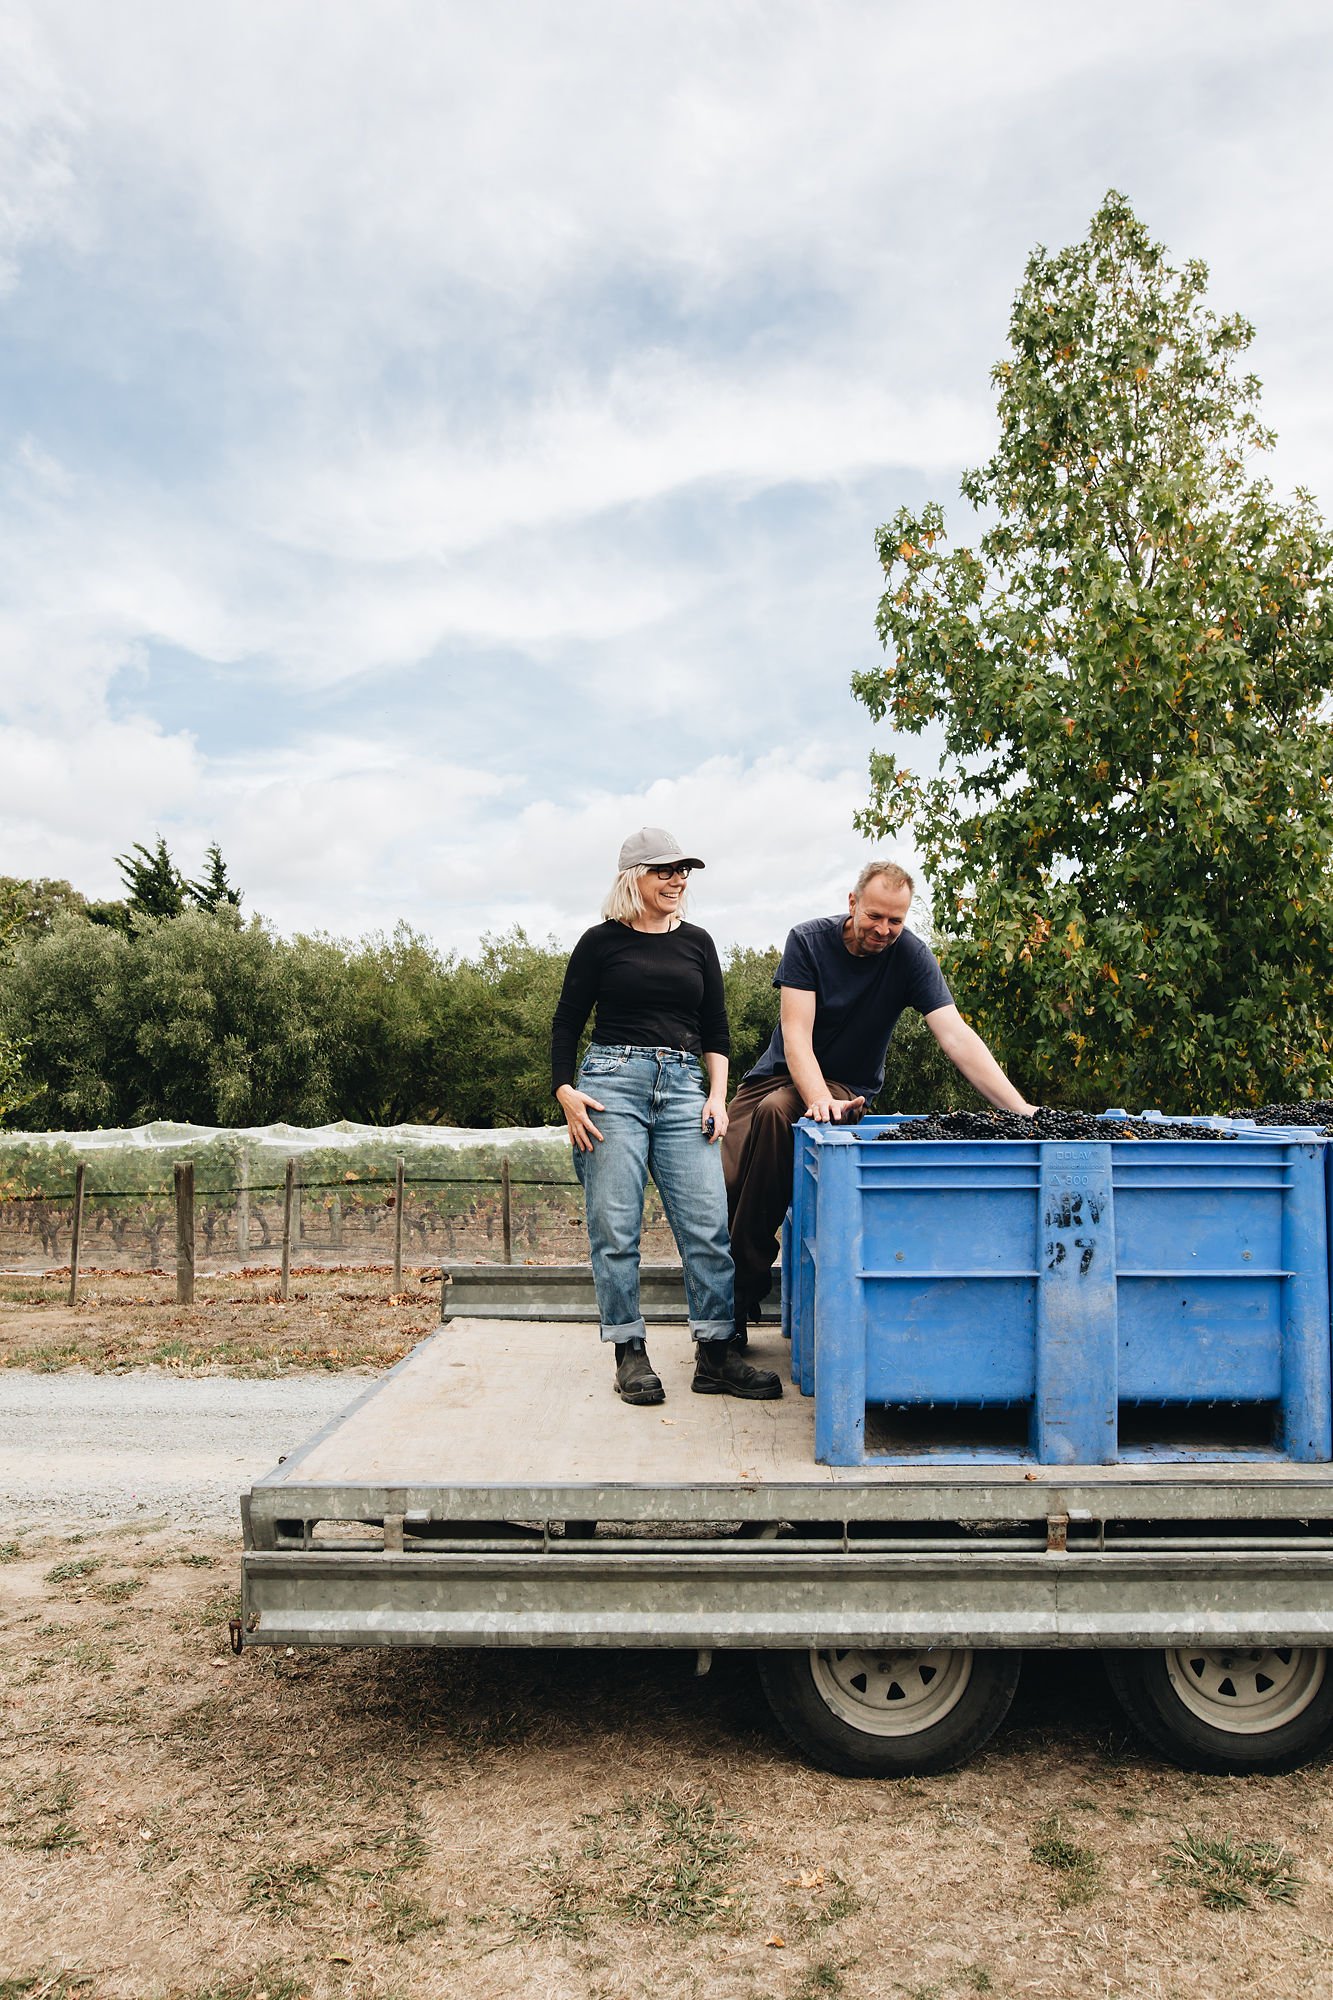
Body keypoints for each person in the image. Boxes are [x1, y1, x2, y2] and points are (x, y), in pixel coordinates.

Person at [723, 860, 1036, 1330]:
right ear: (852, 903)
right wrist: (814, 1098)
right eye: (875, 916)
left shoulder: (911, 956)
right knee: (724, 1175)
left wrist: (1022, 1110)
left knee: (775, 1117)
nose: (884, 929)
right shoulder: (807, 941)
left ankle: (736, 1297)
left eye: (896, 920)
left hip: (842, 1087)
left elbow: (956, 1037)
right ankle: (728, 1286)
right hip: (777, 1075)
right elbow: (796, 1035)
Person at [551, 827, 783, 1406]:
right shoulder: (600, 943)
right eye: (665, 870)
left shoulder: (699, 943)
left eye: (683, 870)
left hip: (684, 1089)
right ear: (635, 877)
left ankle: (715, 1354)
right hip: (610, 1087)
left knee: (707, 1227)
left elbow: (717, 1029)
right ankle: (629, 1351)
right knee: (616, 1227)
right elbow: (565, 1022)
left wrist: (717, 1095)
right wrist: (564, 1092)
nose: (678, 879)